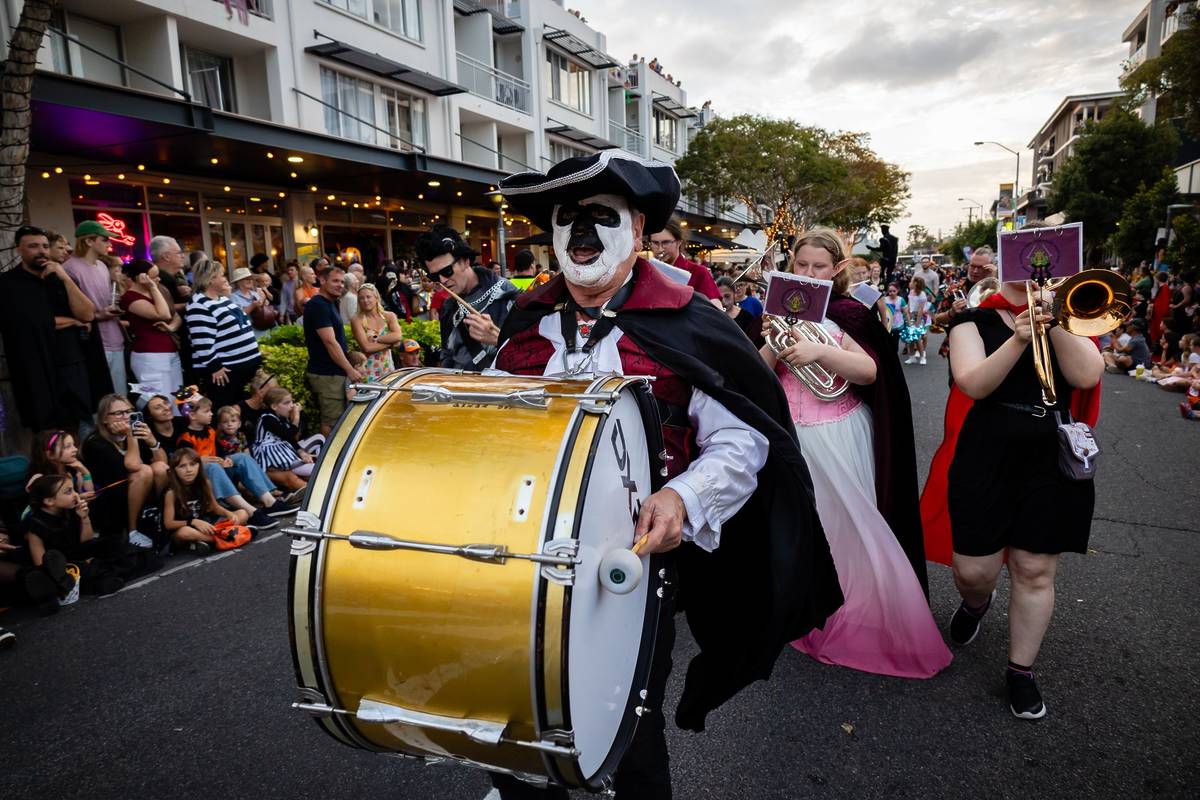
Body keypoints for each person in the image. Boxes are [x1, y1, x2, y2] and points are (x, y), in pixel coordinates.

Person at [492, 151, 841, 798]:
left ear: (639, 225)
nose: (582, 233)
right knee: (515, 716)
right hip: (521, 561)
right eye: (568, 219)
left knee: (627, 727)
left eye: (601, 216)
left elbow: (742, 438)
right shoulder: (522, 328)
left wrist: (684, 495)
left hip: (637, 567)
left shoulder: (690, 320)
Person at [758, 228, 947, 679]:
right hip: (791, 438)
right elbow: (756, 376)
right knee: (803, 530)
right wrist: (771, 342)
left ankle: (856, 615)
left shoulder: (847, 313)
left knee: (850, 529)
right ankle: (807, 609)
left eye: (818, 267)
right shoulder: (773, 310)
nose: (807, 273)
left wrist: (820, 348)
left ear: (837, 270)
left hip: (838, 433)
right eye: (800, 265)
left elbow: (869, 371)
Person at [935, 271, 1104, 719]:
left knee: (1035, 568)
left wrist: (1053, 321)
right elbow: (973, 384)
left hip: (1052, 451)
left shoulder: (1068, 318)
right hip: (986, 450)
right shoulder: (972, 321)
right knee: (973, 570)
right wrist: (1018, 338)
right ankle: (976, 602)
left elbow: (1086, 376)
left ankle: (1021, 670)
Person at [0, 226, 97, 434]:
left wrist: (66, 279)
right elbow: (29, 323)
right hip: (35, 371)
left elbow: (88, 314)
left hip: (70, 366)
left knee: (77, 426)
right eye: (33, 246)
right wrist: (72, 321)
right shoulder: (7, 285)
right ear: (19, 250)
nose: (41, 251)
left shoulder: (59, 278)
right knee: (46, 432)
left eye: (44, 246)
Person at [417, 224, 520, 372]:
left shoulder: (507, 295)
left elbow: (534, 354)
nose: (442, 280)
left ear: (465, 261)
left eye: (447, 271)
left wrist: (497, 339)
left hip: (502, 390)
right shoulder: (448, 307)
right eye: (434, 276)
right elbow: (448, 355)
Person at [174, 395, 283, 529]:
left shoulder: (210, 431)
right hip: (203, 479)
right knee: (213, 466)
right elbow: (185, 463)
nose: (211, 414)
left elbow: (219, 451)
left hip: (218, 472)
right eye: (207, 411)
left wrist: (225, 459)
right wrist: (199, 460)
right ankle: (251, 511)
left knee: (242, 457)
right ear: (192, 415)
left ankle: (269, 502)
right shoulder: (185, 438)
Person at [81, 393, 168, 549]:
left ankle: (161, 517)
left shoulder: (135, 430)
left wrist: (152, 442)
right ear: (104, 419)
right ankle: (132, 531)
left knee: (160, 469)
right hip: (110, 498)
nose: (126, 417)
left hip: (137, 491)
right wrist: (130, 436)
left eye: (129, 411)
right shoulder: (94, 443)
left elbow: (163, 463)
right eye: (119, 413)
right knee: (144, 471)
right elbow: (133, 466)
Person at [23, 474, 124, 596]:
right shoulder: (35, 524)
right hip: (60, 568)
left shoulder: (69, 510)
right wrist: (82, 563)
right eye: (68, 491)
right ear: (49, 501)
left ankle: (104, 576)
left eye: (74, 489)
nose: (76, 495)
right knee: (86, 569)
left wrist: (84, 518)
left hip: (77, 555)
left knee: (114, 543)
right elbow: (42, 565)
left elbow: (87, 543)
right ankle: (95, 583)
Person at [186, 261, 263, 411]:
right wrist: (215, 367)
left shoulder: (223, 299)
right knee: (227, 411)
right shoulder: (199, 305)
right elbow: (201, 341)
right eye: (221, 275)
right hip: (226, 374)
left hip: (244, 368)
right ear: (210, 279)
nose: (225, 278)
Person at [64, 221, 126, 394]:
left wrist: (114, 305)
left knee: (119, 396)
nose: (109, 243)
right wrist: (99, 315)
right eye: (104, 239)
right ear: (89, 241)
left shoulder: (103, 266)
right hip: (93, 342)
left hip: (115, 339)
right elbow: (69, 309)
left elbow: (105, 300)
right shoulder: (69, 268)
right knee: (101, 398)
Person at [304, 265, 364, 435]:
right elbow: (330, 342)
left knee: (338, 419)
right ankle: (329, 460)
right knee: (332, 423)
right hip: (326, 374)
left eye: (342, 281)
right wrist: (349, 369)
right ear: (322, 280)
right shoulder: (318, 305)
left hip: (334, 372)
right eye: (335, 281)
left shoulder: (331, 303)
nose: (340, 285)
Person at [161, 447, 250, 554]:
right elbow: (169, 524)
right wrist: (193, 522)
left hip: (208, 525)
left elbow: (214, 507)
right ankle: (227, 537)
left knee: (242, 513)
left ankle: (205, 541)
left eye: (193, 464)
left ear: (199, 466)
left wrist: (228, 513)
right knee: (184, 533)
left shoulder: (205, 483)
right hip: (187, 527)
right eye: (182, 466)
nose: (189, 470)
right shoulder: (171, 492)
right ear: (174, 470)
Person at [118, 258, 183, 401]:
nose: (158, 280)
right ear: (140, 278)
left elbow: (174, 315)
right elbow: (163, 314)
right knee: (159, 399)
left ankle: (178, 422)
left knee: (178, 398)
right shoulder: (130, 297)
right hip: (150, 355)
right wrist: (153, 288)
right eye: (154, 277)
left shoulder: (159, 291)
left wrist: (170, 327)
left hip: (170, 350)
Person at [251, 386, 323, 489]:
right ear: (274, 406)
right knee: (318, 471)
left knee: (319, 438)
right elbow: (288, 434)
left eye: (291, 402)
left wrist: (301, 452)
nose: (292, 406)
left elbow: (290, 439)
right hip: (272, 455)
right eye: (286, 403)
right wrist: (296, 416)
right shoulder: (267, 418)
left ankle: (315, 462)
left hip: (284, 450)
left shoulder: (281, 417)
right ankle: (312, 470)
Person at [648, 218, 722, 308]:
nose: (660, 249)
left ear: (679, 242)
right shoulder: (646, 272)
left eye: (666, 242)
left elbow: (716, 309)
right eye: (655, 243)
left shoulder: (698, 272)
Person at [351, 283, 403, 381]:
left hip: (388, 369)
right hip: (368, 371)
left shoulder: (389, 316)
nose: (365, 301)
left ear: (376, 298)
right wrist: (390, 344)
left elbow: (398, 336)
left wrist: (377, 339)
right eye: (361, 298)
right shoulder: (357, 320)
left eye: (368, 297)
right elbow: (366, 348)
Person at [716, 276, 763, 347]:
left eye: (727, 296)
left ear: (734, 294)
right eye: (720, 297)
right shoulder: (714, 315)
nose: (723, 302)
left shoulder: (746, 317)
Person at [229, 267, 275, 339]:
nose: (250, 281)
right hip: (247, 334)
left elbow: (262, 310)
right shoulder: (233, 297)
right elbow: (237, 315)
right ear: (238, 282)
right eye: (246, 279)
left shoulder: (255, 293)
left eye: (251, 278)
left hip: (263, 331)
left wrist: (264, 304)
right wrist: (253, 305)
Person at [903, 275, 932, 364]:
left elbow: (920, 309)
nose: (910, 283)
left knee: (918, 338)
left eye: (911, 281)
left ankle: (922, 356)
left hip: (918, 317)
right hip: (910, 316)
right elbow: (909, 304)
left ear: (915, 283)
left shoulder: (922, 294)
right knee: (910, 338)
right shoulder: (911, 292)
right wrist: (907, 315)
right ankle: (912, 357)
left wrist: (917, 322)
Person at [883, 283, 907, 353]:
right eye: (890, 291)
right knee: (887, 342)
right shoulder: (884, 299)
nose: (892, 293)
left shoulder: (901, 300)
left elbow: (906, 312)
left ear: (898, 290)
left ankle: (894, 356)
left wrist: (907, 322)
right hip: (887, 325)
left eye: (894, 291)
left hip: (898, 325)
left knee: (895, 342)